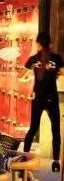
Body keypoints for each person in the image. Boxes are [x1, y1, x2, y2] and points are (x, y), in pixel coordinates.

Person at [23, 32, 64, 172]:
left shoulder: (34, 59)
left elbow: (22, 76)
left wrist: (31, 76)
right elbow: (62, 72)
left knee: (33, 128)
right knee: (55, 130)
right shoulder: (57, 58)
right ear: (50, 44)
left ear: (39, 44)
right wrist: (55, 74)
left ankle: (24, 157)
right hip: (52, 97)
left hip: (38, 98)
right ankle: (56, 162)